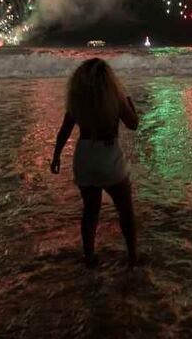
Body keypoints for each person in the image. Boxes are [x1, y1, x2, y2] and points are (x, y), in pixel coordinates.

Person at [51, 58, 140, 268]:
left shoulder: (77, 100)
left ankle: (89, 256)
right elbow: (133, 124)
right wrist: (129, 102)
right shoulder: (115, 98)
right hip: (109, 158)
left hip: (84, 158)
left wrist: (56, 156)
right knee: (125, 211)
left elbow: (64, 130)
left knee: (91, 210)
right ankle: (132, 258)